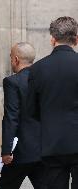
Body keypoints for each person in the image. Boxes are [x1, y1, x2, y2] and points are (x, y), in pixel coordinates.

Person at [27, 16, 78, 189]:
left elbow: (31, 110)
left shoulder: (37, 69)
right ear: (76, 39)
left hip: (52, 143)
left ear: (52, 39)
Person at [0, 42, 44, 189]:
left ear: (16, 59)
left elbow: (11, 117)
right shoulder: (44, 79)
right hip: (44, 150)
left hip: (20, 153)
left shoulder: (12, 82)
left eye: (11, 57)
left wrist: (6, 150)